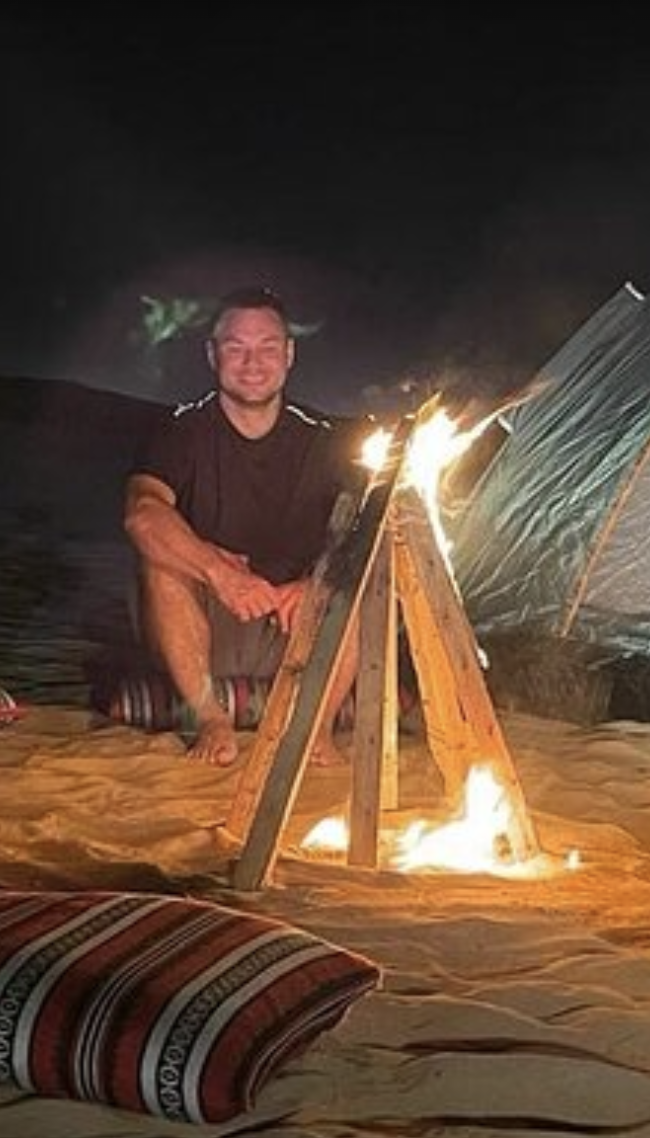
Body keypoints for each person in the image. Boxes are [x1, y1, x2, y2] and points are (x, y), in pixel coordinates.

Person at [124, 286, 366, 768]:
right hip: (204, 627)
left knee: (361, 582)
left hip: (291, 625)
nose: (252, 362)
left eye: (267, 347)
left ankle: (316, 730)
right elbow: (142, 514)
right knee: (161, 562)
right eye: (236, 347)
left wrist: (317, 584)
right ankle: (212, 721)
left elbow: (370, 531)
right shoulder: (180, 431)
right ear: (212, 354)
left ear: (289, 354)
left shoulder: (328, 440)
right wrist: (219, 572)